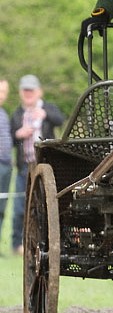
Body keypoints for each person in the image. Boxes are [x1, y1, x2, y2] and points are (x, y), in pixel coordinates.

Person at [10, 75, 64, 255]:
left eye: (31, 90)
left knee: (44, 206)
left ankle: (43, 243)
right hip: (24, 166)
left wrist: (45, 114)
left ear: (38, 91)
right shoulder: (17, 114)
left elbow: (60, 120)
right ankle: (17, 244)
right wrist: (19, 134)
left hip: (45, 166)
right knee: (19, 208)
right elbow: (9, 139)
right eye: (25, 90)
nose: (28, 94)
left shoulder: (48, 108)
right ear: (21, 93)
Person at [0, 79, 12, 249]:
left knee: (2, 207)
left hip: (6, 164)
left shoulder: (3, 113)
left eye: (4, 92)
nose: (1, 96)